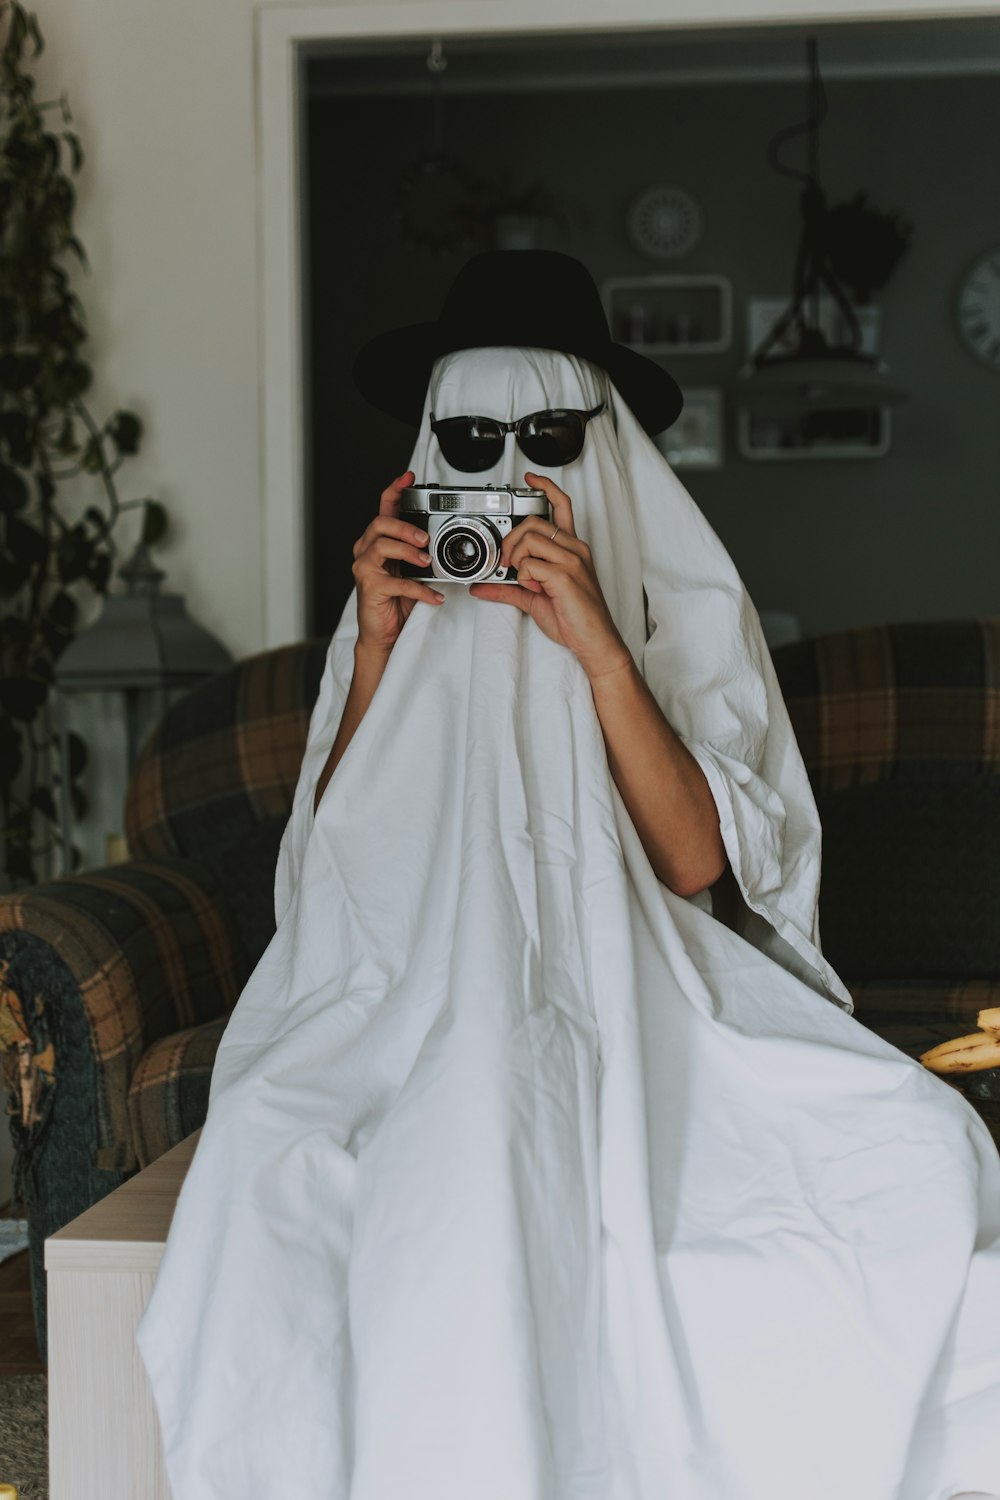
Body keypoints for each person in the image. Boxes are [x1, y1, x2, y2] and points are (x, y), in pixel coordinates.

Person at [136, 250, 1000, 1500]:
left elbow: (696, 862)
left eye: (545, 434)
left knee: (909, 1156)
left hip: (635, 967)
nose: (508, 468)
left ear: (602, 448)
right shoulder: (392, 617)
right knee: (317, 1162)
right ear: (431, 451)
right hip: (414, 977)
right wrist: (377, 650)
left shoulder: (673, 608)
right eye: (471, 437)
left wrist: (598, 646)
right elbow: (336, 872)